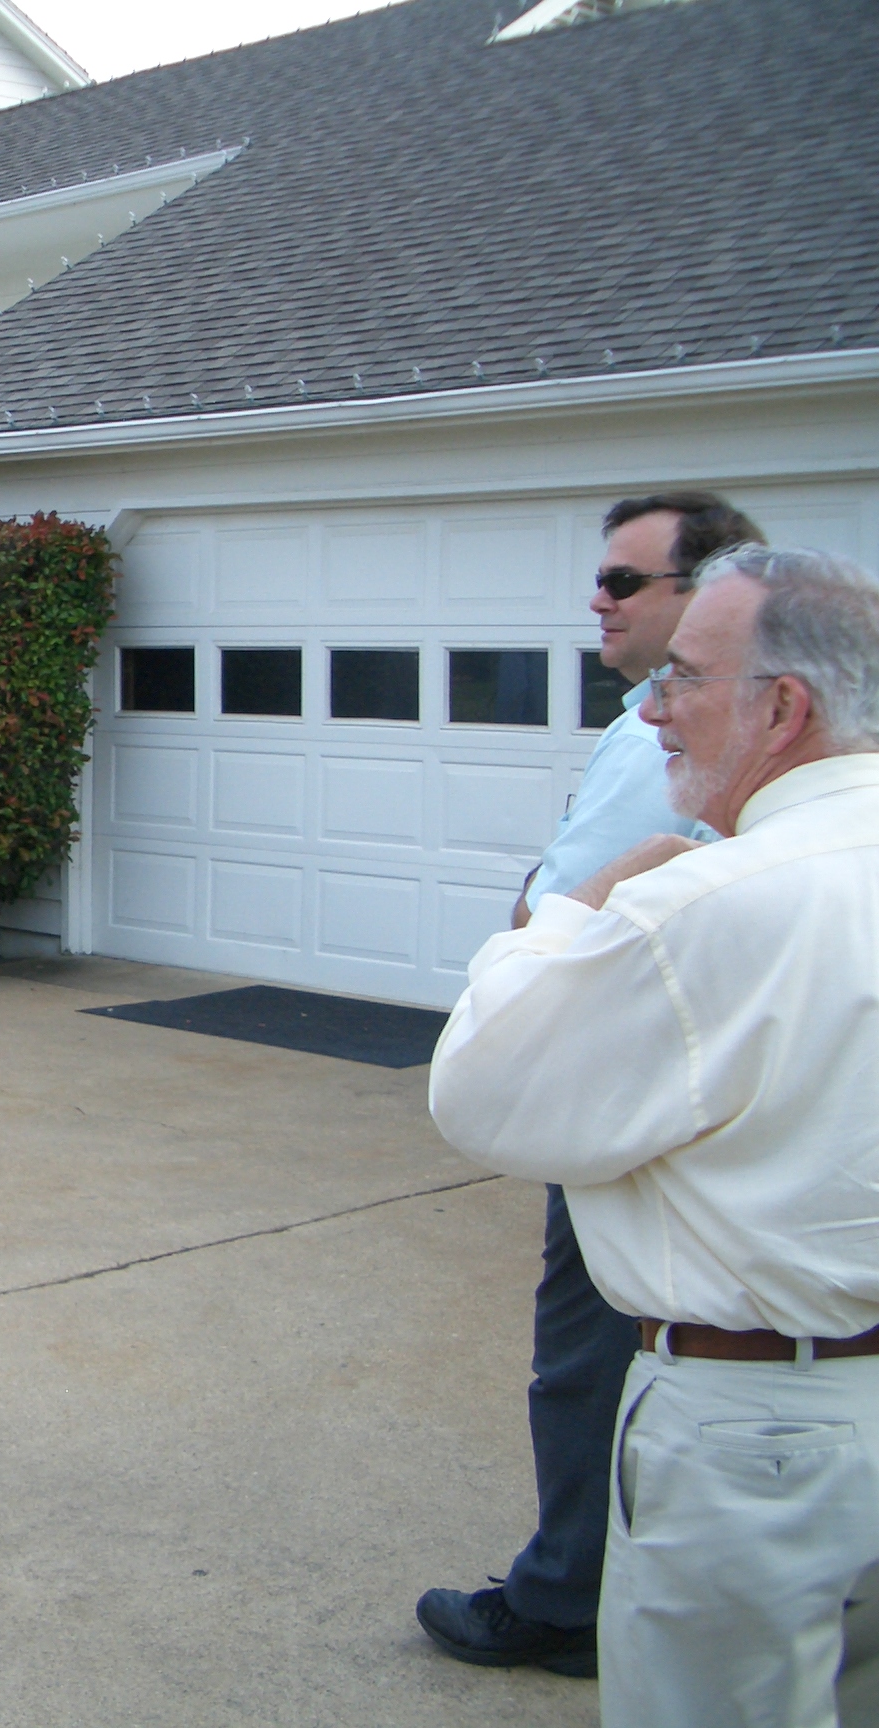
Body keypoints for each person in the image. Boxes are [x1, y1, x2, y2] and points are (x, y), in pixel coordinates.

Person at [429, 545, 879, 1728]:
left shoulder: (703, 903)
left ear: (782, 709)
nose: (652, 709)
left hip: (754, 1443)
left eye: (682, 678)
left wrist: (577, 907)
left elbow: (482, 1087)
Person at [416, 490, 763, 1678]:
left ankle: (567, 1598)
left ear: (705, 595)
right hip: (649, 1086)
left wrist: (534, 942)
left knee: (589, 1353)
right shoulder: (657, 720)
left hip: (624, 1095)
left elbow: (601, 905)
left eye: (624, 580)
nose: (597, 599)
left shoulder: (689, 735)